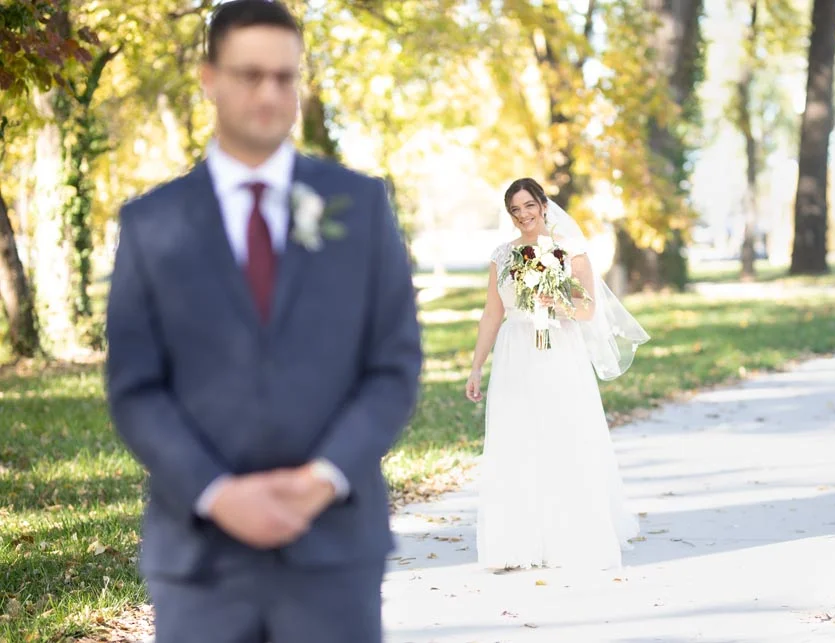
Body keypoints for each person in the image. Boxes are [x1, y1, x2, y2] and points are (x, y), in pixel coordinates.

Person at [104, 1, 422, 641]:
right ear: (209, 79)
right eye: (250, 75)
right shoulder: (151, 223)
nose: (270, 94)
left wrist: (322, 479)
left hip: (332, 550)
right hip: (201, 560)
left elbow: (393, 367)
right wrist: (217, 493)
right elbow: (136, 387)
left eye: (284, 77)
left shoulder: (359, 206)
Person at [465, 178, 649, 571]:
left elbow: (588, 310)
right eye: (515, 210)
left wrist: (557, 303)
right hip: (515, 354)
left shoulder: (570, 250)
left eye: (529, 206)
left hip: (560, 353)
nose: (523, 215)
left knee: (563, 435)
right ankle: (516, 542)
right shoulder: (501, 255)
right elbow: (492, 314)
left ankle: (572, 538)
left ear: (544, 205)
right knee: (517, 440)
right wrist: (476, 367)